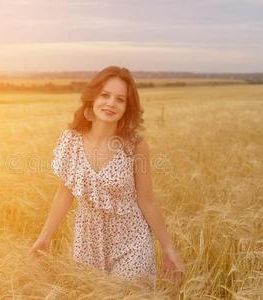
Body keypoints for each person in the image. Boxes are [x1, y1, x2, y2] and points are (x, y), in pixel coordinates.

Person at [28, 65, 184, 289]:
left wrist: (169, 249)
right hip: (87, 243)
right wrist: (44, 238)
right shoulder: (72, 140)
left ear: (126, 107)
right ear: (92, 98)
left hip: (132, 242)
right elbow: (64, 194)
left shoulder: (135, 146)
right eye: (105, 95)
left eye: (120, 99)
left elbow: (147, 200)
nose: (111, 103)